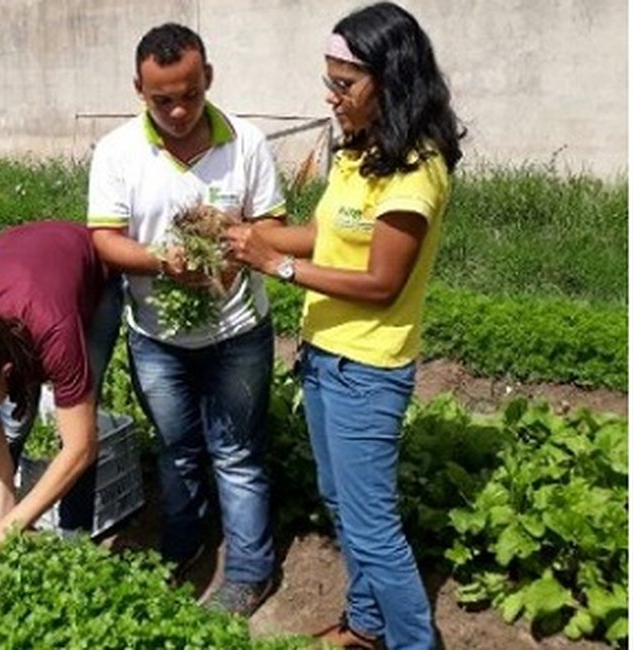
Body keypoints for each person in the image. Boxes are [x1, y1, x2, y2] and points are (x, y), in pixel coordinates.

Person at [225, 3, 464, 647]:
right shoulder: (363, 151)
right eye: (328, 80)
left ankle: (414, 641)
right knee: (342, 505)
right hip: (325, 357)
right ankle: (365, 625)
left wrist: (276, 264)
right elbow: (329, 238)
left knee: (372, 526)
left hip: (368, 369)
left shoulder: (418, 168)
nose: (330, 96)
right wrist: (253, 234)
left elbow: (382, 285)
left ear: (391, 79)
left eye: (344, 83)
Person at [87, 22, 286, 616]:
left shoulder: (245, 144)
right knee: (176, 450)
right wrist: (159, 263)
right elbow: (104, 240)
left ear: (209, 79)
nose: (178, 109)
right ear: (138, 90)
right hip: (157, 337)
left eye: (190, 94)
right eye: (161, 99)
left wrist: (236, 244)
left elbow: (273, 224)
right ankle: (182, 546)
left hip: (237, 332)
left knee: (237, 453)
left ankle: (251, 572)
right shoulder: (117, 151)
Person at [0, 220, 121, 572]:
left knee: (77, 421)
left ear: (6, 375)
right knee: (9, 436)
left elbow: (81, 448)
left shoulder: (56, 332)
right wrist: (0, 545)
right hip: (21, 260)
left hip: (86, 271)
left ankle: (73, 538)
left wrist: (5, 532)